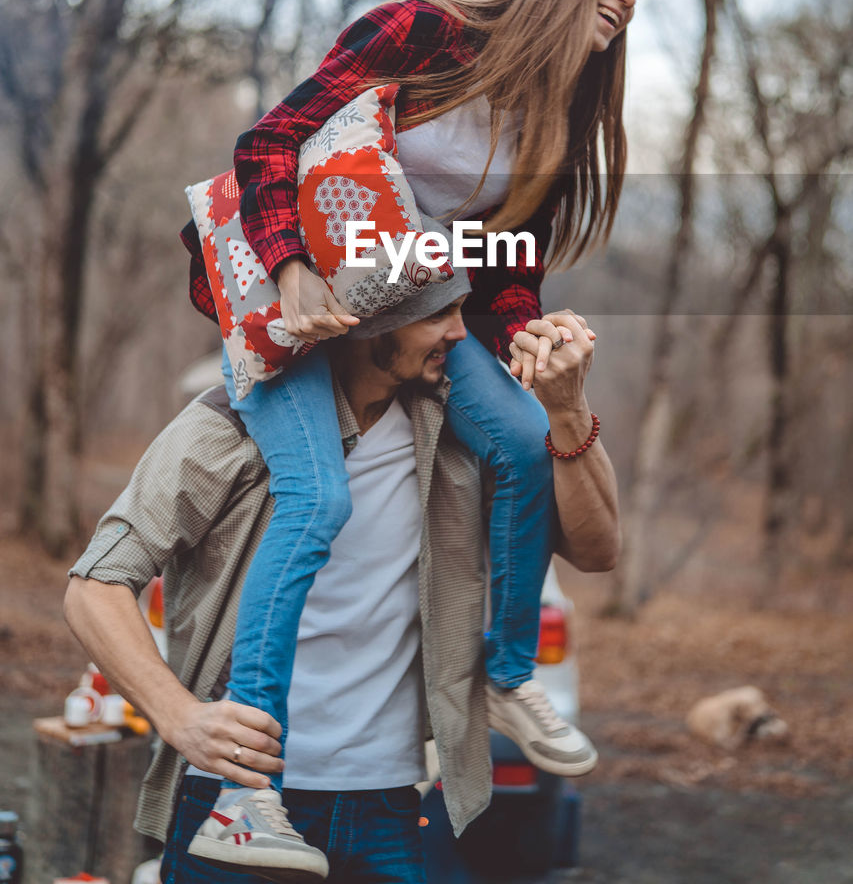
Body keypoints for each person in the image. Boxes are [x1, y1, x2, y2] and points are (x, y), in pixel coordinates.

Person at [178, 0, 645, 866]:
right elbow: (270, 140)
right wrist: (291, 264)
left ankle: (507, 673)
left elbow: (505, 274)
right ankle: (243, 790)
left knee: (518, 438)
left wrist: (530, 341)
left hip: (422, 308)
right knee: (315, 496)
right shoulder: (423, 34)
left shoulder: (554, 121)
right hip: (304, 287)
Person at [65, 266, 620, 884]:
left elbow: (596, 550)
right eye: (438, 314)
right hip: (234, 802)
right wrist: (178, 716)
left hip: (387, 806)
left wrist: (567, 411)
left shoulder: (455, 437)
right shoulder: (230, 425)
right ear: (365, 319)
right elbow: (96, 584)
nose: (461, 335)